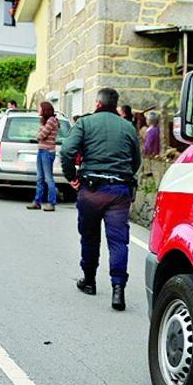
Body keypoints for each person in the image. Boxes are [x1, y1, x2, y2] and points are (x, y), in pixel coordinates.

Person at [59, 87, 141, 311]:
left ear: (97, 103)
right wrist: (123, 174)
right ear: (116, 105)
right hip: (119, 191)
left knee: (89, 236)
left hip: (91, 190)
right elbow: (136, 161)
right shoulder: (128, 127)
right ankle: (118, 289)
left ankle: (89, 280)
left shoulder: (85, 124)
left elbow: (67, 151)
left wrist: (71, 176)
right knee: (118, 241)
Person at [27, 101, 59, 211]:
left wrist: (39, 134)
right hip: (41, 150)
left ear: (44, 110)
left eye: (39, 108)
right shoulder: (44, 121)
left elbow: (41, 135)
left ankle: (51, 202)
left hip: (47, 151)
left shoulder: (51, 121)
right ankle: (37, 201)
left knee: (48, 177)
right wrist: (39, 134)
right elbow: (40, 135)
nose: (38, 110)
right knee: (39, 177)